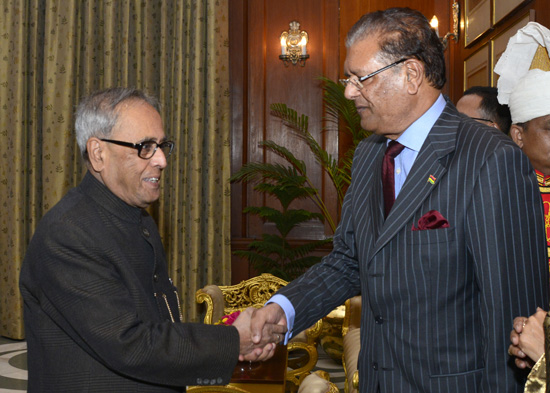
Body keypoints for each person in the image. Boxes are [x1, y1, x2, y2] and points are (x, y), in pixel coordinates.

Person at [247, 8, 548, 393]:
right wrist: (282, 310)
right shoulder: (371, 154)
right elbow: (349, 260)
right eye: (348, 78)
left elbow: (515, 320)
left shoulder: (491, 159)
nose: (349, 91)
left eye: (361, 79)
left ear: (411, 75)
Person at [19, 88, 285, 392]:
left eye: (162, 145)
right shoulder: (67, 233)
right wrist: (233, 341)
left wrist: (235, 344)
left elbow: (157, 330)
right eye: (145, 146)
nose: (161, 160)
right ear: (98, 153)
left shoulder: (138, 217)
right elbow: (130, 344)